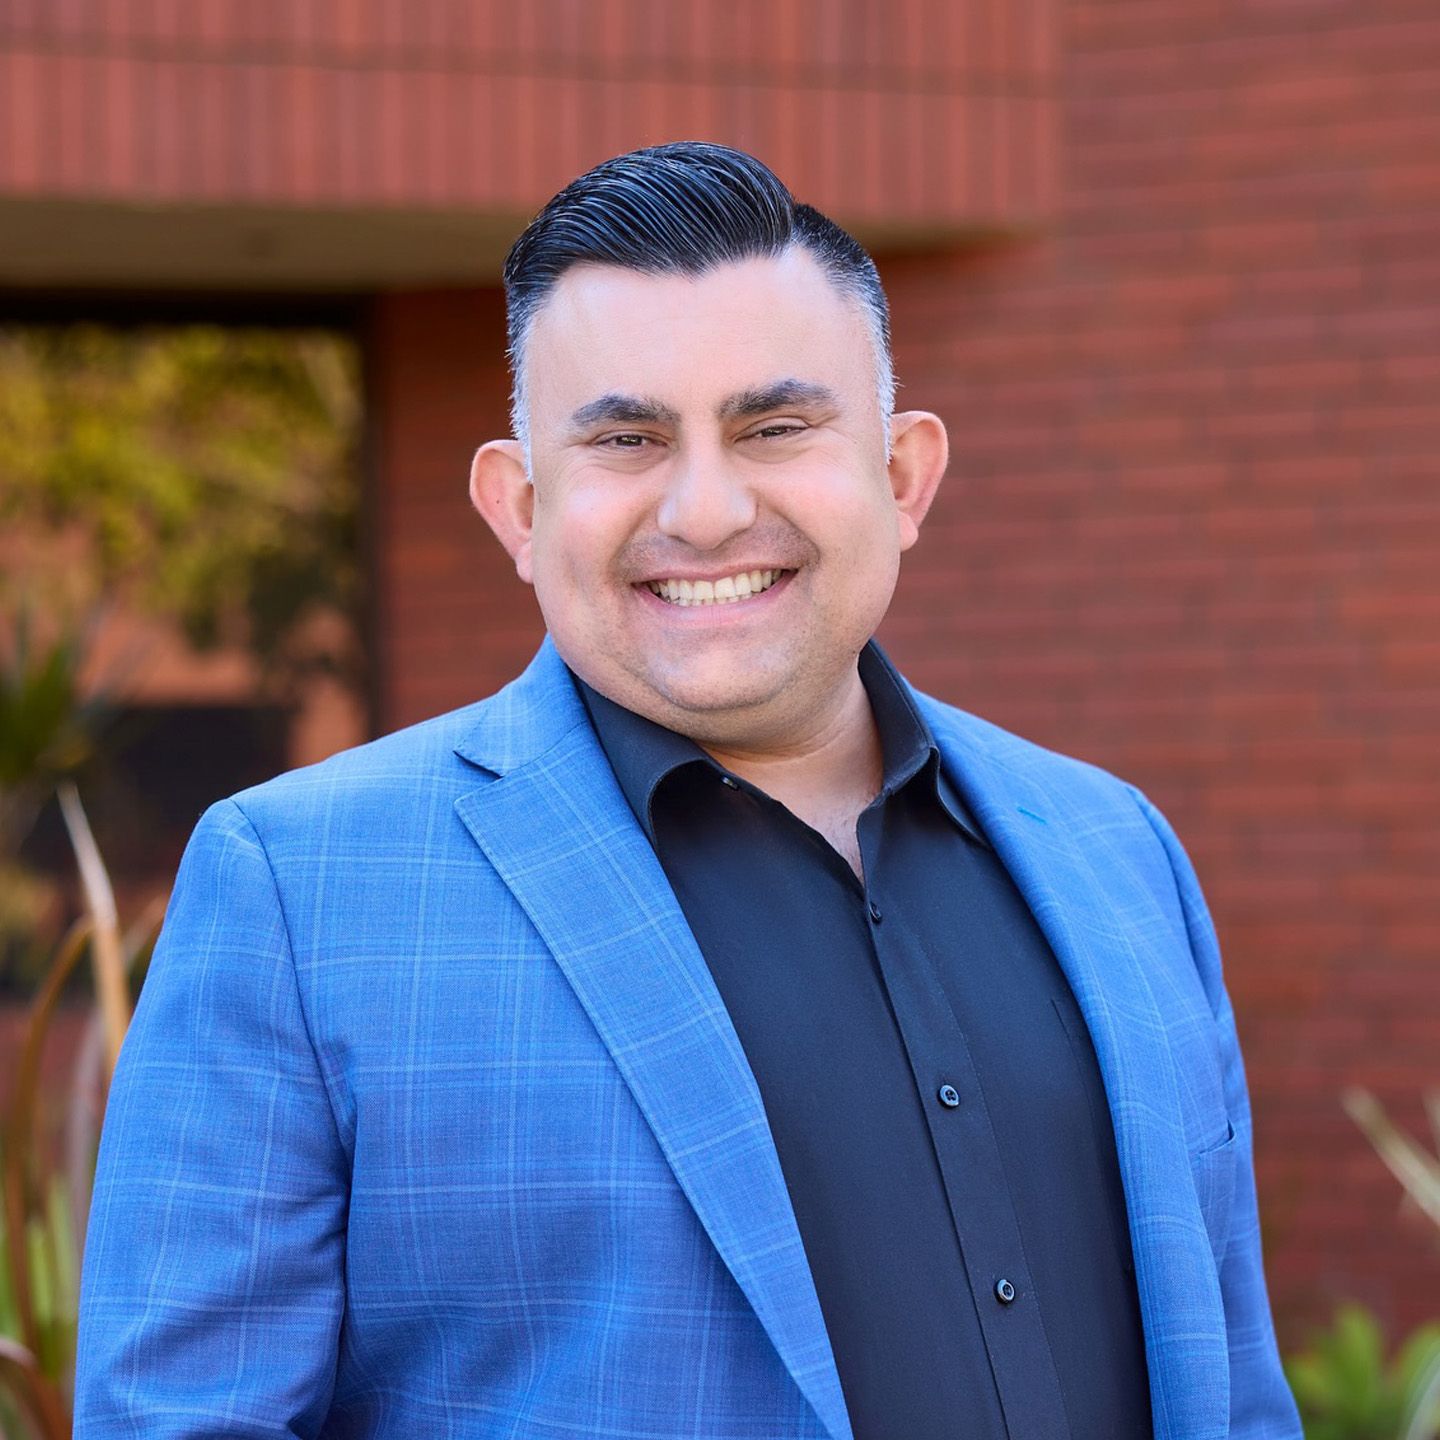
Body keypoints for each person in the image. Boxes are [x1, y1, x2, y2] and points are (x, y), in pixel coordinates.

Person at [74, 142, 1301, 1440]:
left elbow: (1231, 1393)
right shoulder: (300, 894)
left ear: (903, 477)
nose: (708, 511)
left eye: (774, 427)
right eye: (627, 440)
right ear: (519, 506)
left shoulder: (1120, 851)